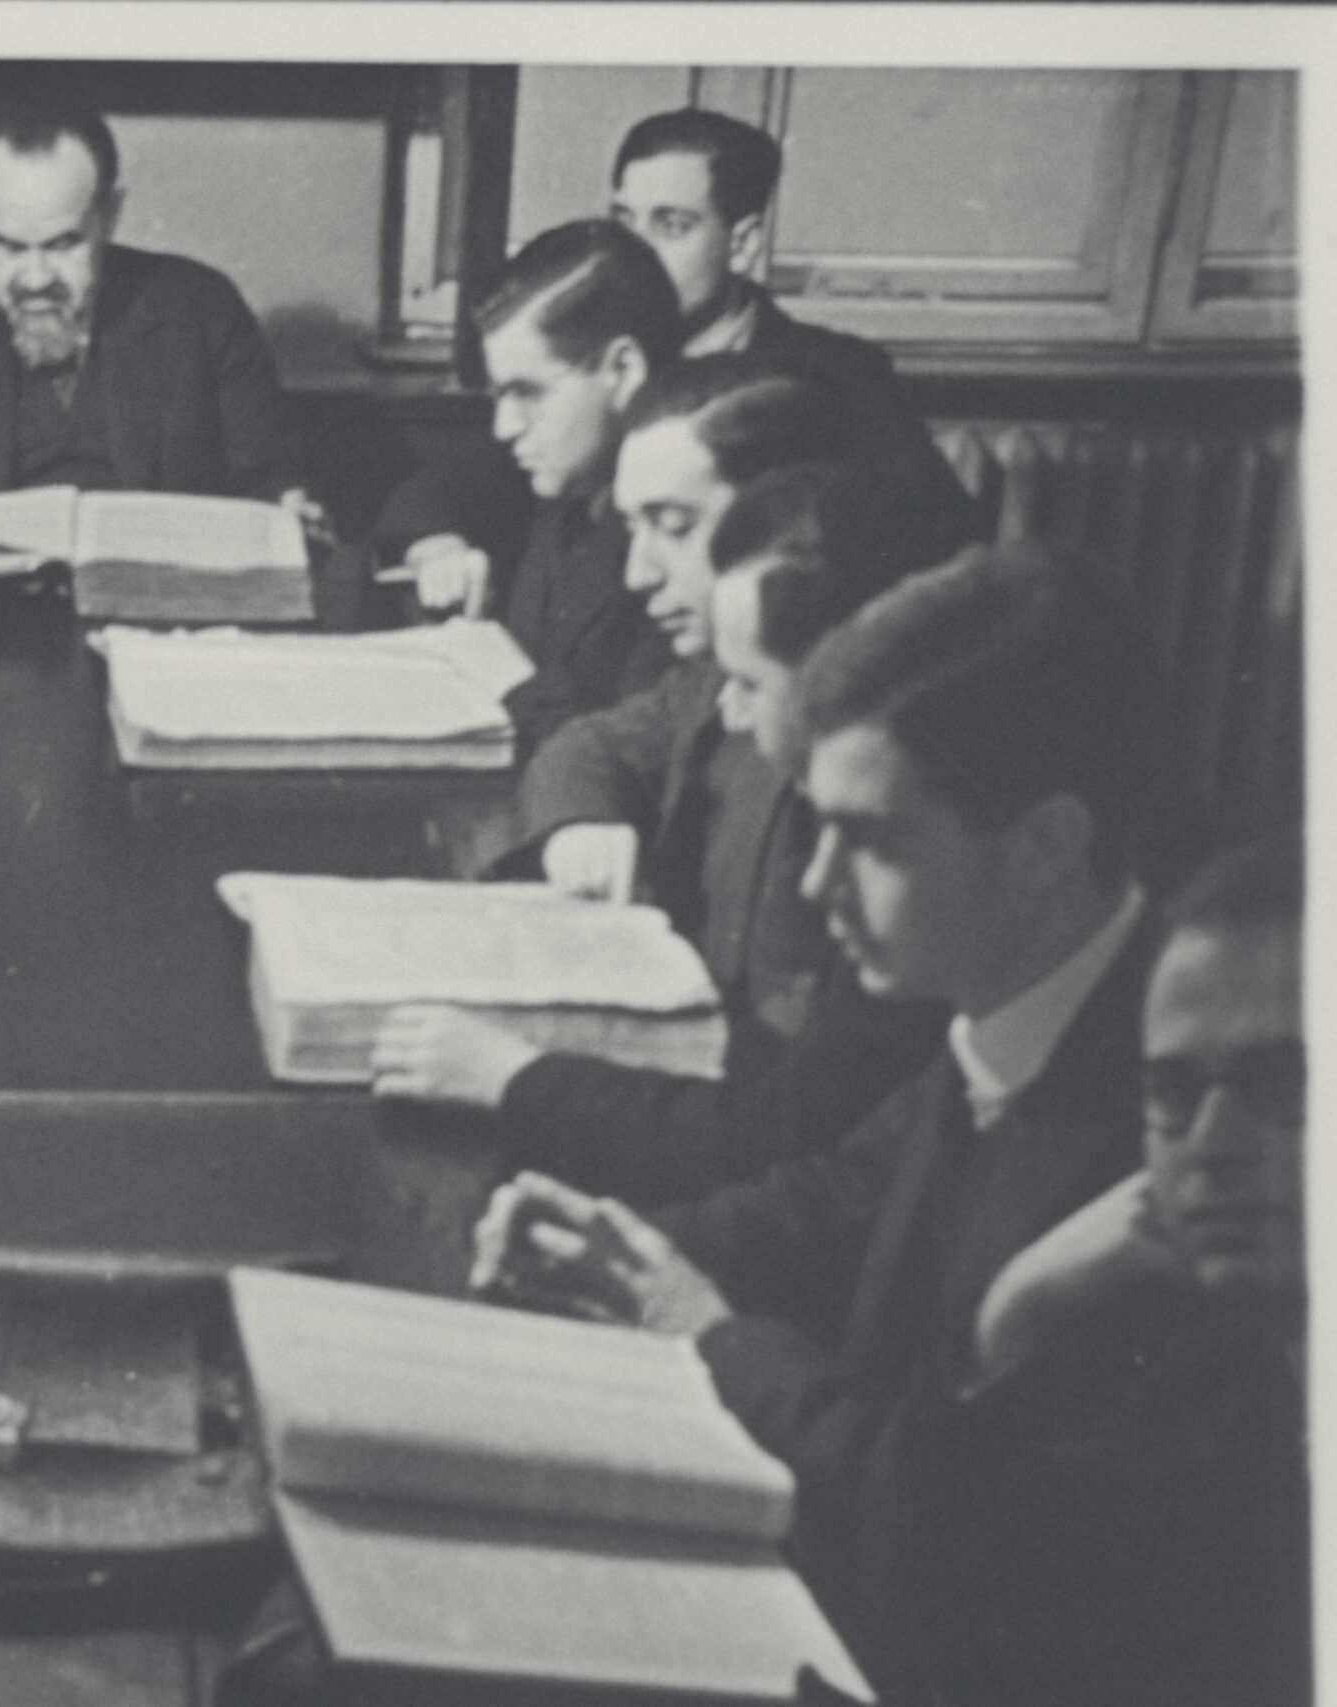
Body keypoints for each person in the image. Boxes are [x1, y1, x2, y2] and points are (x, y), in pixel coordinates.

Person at [465, 543, 1179, 1701]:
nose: (815, 887)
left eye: (876, 840)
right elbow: (838, 1193)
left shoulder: (1187, 1125)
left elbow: (938, 1515)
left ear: (1047, 844)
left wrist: (693, 1322)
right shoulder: (1022, 991)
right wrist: (622, 1248)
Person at [374, 409, 974, 1208]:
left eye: (672, 525)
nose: (638, 573)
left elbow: (788, 1130)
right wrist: (581, 820)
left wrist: (519, 1080)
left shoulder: (905, 845)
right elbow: (598, 743)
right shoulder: (734, 661)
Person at [914, 835, 1309, 1707]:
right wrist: (1013, 1317)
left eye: (1284, 1083)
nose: (1210, 1143)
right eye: (1172, 1091)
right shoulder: (1211, 1358)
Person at [0, 91, 310, 549]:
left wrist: (289, 509)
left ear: (111, 214)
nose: (35, 278)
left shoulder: (202, 311)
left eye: (63, 245)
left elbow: (268, 480)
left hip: (165, 620)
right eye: (10, 246)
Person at [378, 220, 685, 749]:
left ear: (624, 369)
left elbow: (634, 753)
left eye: (528, 393)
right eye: (501, 395)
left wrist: (496, 669)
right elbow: (425, 497)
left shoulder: (683, 536)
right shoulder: (570, 479)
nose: (505, 426)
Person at [608, 107, 940, 473]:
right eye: (623, 222)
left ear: (743, 245)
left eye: (672, 225)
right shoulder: (592, 364)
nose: (632, 251)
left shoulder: (844, 376)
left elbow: (932, 525)